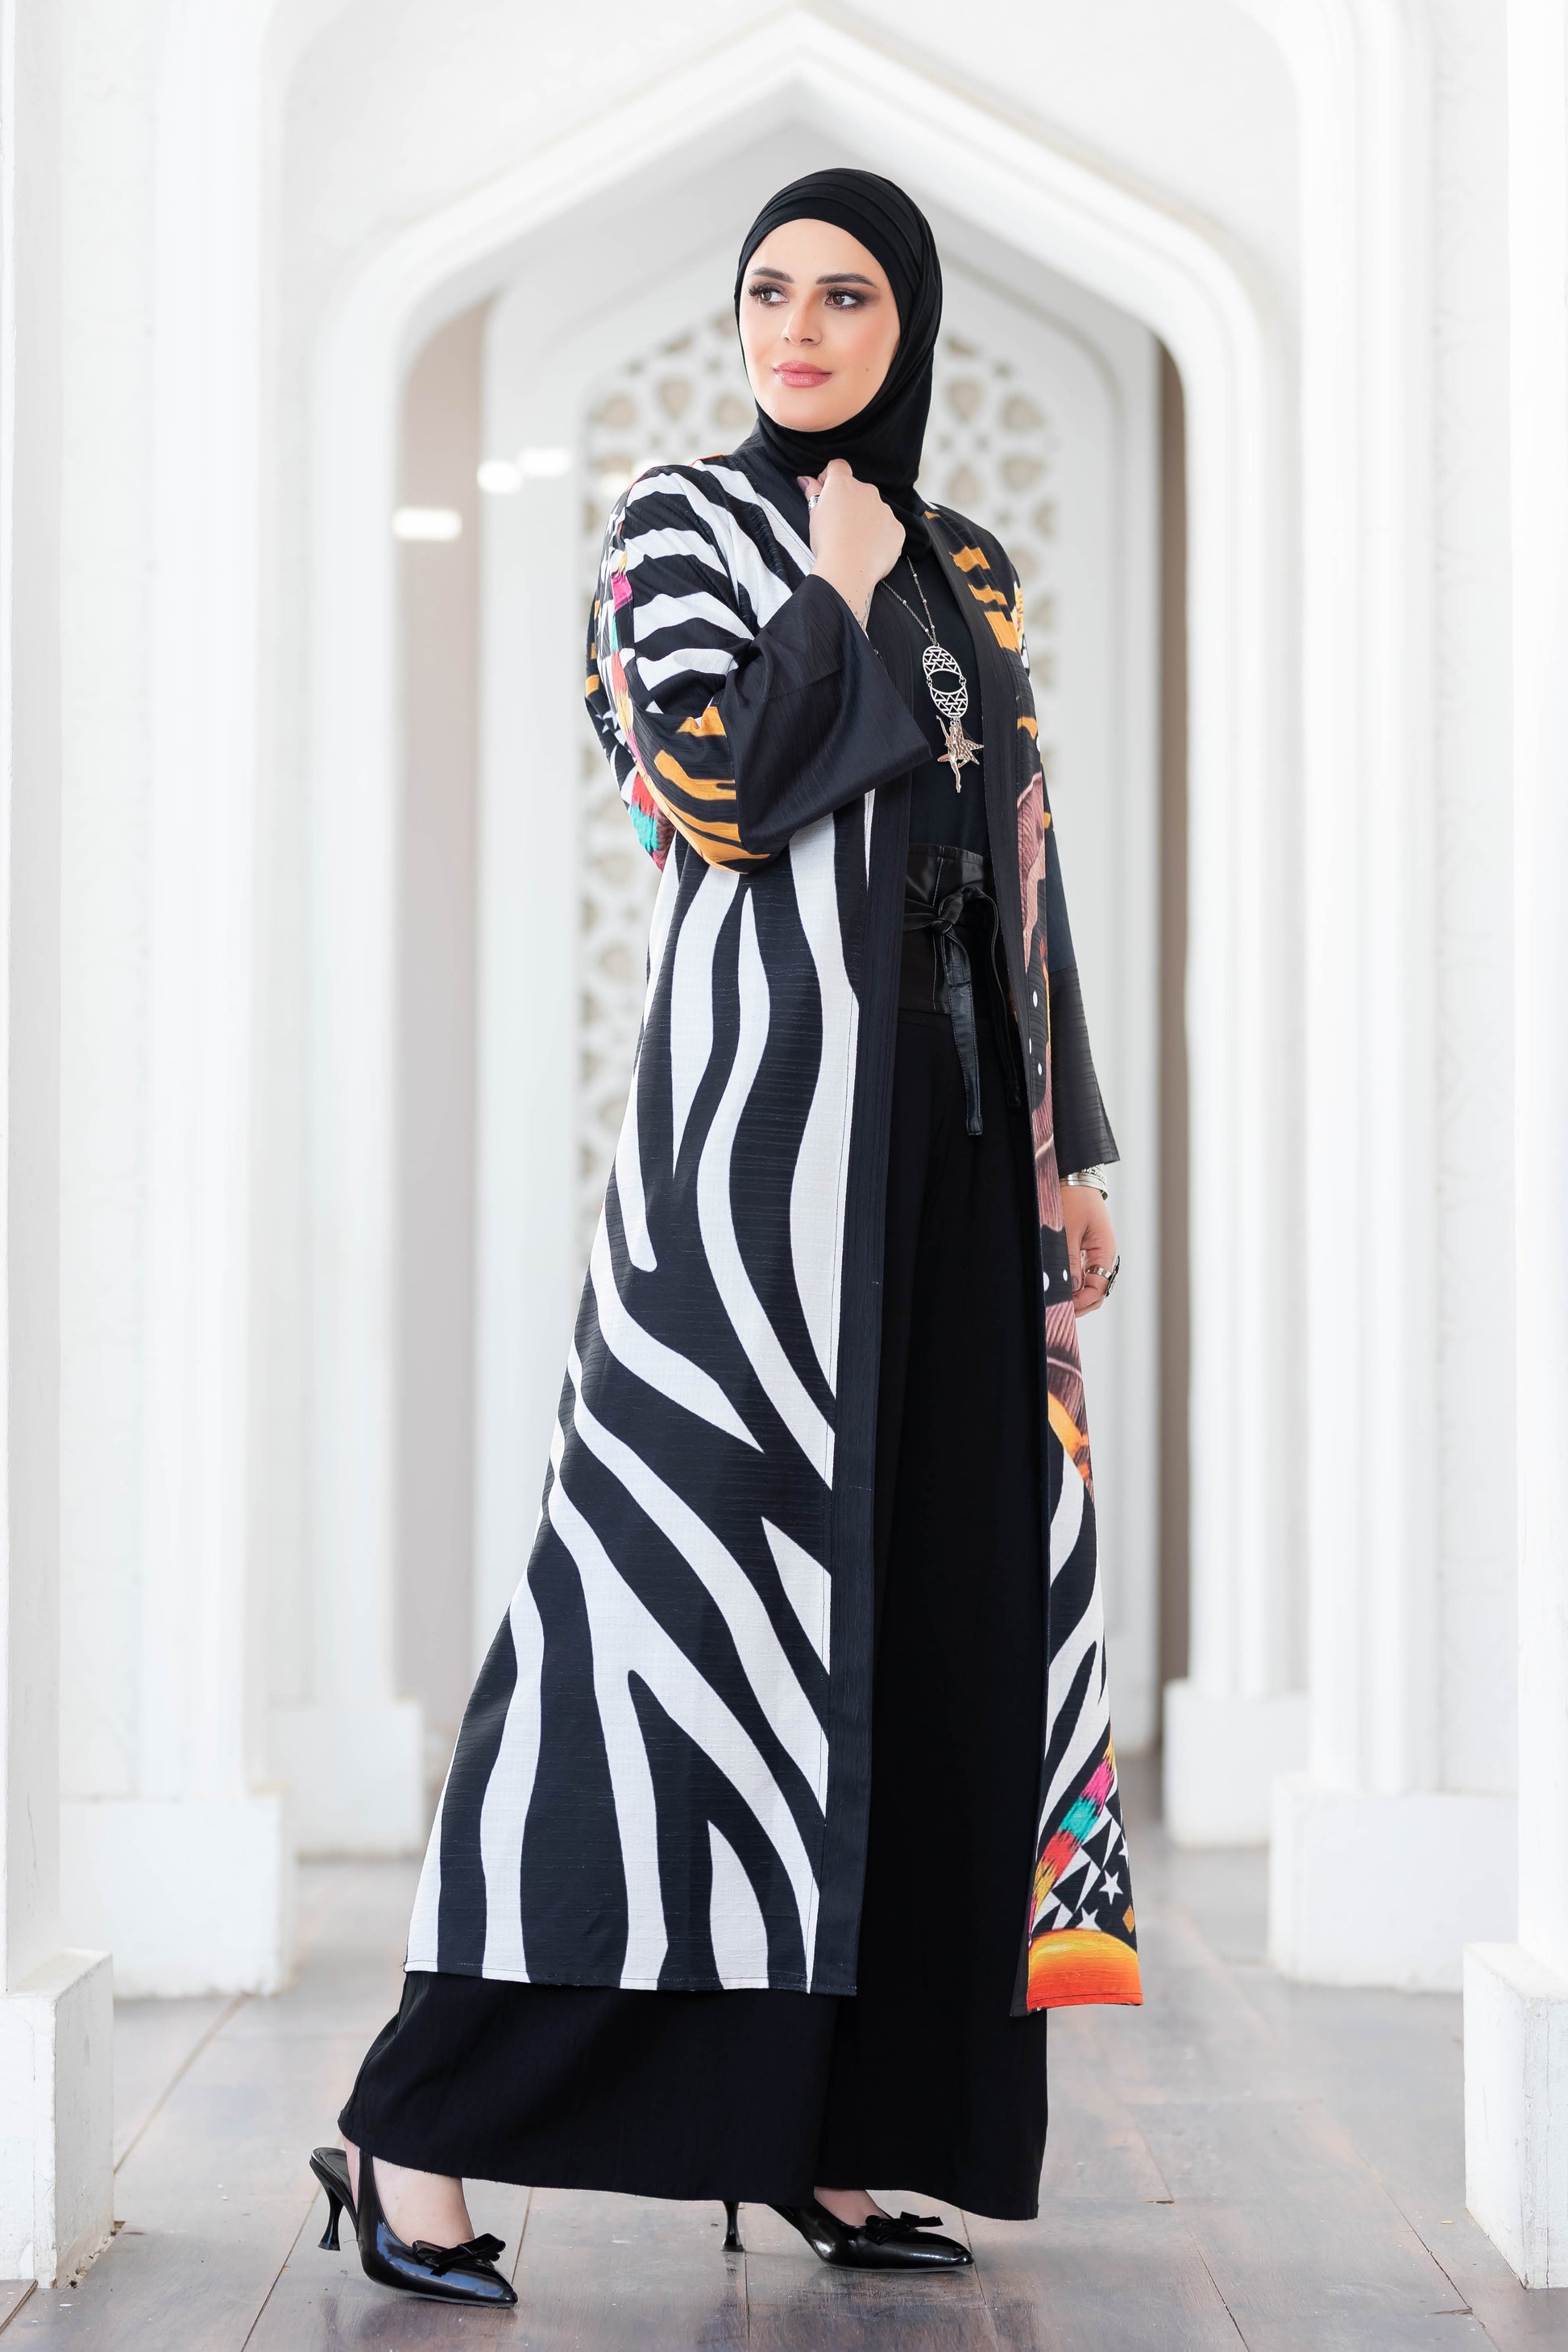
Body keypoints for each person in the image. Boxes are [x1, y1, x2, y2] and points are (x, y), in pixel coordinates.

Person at [311, 167, 1140, 2312]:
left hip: (960, 1164)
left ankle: (847, 2136)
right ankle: (410, 2137)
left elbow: (1013, 860)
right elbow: (709, 786)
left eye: (845, 295)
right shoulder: (684, 527)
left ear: (905, 323)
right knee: (660, 1639)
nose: (797, 326)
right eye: (768, 291)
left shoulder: (972, 561)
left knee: (939, 1639)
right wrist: (834, 599)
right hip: (759, 1193)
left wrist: (1070, 1157)